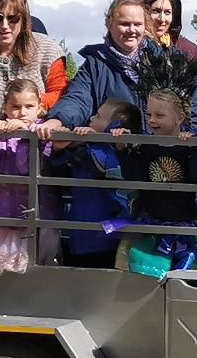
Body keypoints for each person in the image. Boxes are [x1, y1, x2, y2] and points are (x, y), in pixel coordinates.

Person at [38, 0, 197, 136]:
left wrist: (195, 135)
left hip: (165, 154)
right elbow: (79, 98)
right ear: (110, 24)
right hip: (116, 159)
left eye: (137, 24)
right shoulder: (95, 65)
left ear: (145, 26)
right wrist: (59, 119)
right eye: (124, 24)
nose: (131, 30)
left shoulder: (170, 61)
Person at [113, 51, 197, 277]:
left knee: (186, 278)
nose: (151, 121)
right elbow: (133, 174)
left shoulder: (191, 146)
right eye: (149, 114)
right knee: (143, 276)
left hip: (184, 228)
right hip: (151, 228)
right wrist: (122, 146)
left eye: (159, 115)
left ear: (179, 118)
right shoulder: (144, 145)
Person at [0, 80, 57, 274]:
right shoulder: (0, 133)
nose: (22, 113)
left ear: (40, 108)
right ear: (5, 108)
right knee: (1, 276)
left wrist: (24, 136)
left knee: (38, 272)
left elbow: (26, 167)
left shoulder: (42, 134)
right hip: (4, 219)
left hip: (37, 220)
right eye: (15, 107)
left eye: (29, 106)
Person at [52, 98, 141, 269]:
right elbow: (58, 168)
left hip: (107, 240)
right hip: (79, 237)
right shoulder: (84, 150)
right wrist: (60, 147)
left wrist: (95, 140)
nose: (91, 118)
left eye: (99, 116)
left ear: (114, 127)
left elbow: (107, 168)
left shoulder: (123, 153)